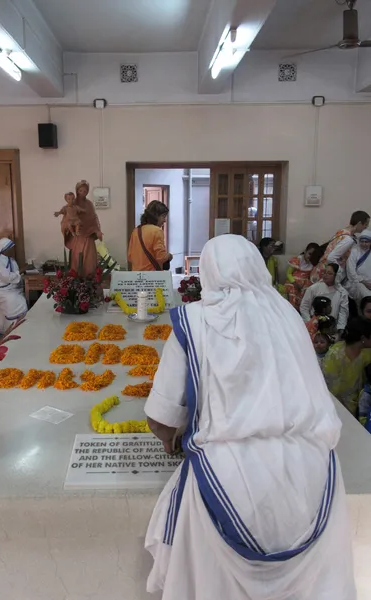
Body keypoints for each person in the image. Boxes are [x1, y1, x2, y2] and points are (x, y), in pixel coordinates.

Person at [144, 235, 354, 600]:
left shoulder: (193, 322)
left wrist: (171, 437)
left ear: (207, 272)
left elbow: (160, 420)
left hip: (227, 479)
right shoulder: (288, 317)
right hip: (310, 475)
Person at [323, 317, 371, 415]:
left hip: (359, 405)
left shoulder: (366, 352)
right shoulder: (335, 355)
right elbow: (330, 388)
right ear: (362, 338)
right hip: (334, 407)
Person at [312, 210, 370, 283]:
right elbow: (331, 258)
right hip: (326, 273)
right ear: (359, 223)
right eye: (366, 224)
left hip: (321, 269)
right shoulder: (348, 239)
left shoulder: (343, 231)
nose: (366, 227)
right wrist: (341, 271)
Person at [0, 238, 27, 333]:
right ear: (3, 249)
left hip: (9, 289)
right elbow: (6, 277)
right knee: (15, 301)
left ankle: (1, 329)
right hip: (0, 291)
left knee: (17, 296)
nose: (12, 250)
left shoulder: (10, 260)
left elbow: (14, 276)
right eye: (10, 248)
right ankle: (13, 330)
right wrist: (22, 270)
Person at [63, 181, 103, 277]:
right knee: (77, 266)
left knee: (90, 265)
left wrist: (97, 231)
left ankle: (90, 287)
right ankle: (78, 289)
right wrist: (69, 226)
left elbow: (93, 220)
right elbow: (65, 220)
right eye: (80, 190)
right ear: (77, 191)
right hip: (77, 239)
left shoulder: (89, 204)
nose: (83, 193)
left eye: (85, 191)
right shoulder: (71, 203)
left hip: (89, 239)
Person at [300, 264, 349, 333]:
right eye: (324, 272)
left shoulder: (342, 293)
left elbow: (343, 312)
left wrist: (340, 328)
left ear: (337, 276)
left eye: (329, 273)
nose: (325, 275)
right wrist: (310, 323)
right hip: (313, 326)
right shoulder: (313, 288)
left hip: (332, 328)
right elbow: (304, 307)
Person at [128, 200, 173, 271]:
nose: (165, 220)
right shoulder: (156, 231)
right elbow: (161, 257)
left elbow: (130, 256)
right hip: (152, 276)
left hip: (136, 275)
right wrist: (169, 256)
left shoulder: (136, 231)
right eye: (163, 216)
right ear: (155, 216)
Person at [284, 242, 320, 310]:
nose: (310, 257)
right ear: (305, 251)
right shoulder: (297, 260)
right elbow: (288, 273)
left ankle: (300, 312)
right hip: (293, 283)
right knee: (292, 290)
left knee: (307, 292)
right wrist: (295, 283)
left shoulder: (313, 264)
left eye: (313, 256)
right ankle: (292, 310)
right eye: (310, 254)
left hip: (304, 284)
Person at [346, 229, 371, 304]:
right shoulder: (354, 252)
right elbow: (351, 272)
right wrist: (364, 282)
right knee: (368, 297)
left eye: (366, 242)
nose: (364, 244)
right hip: (357, 283)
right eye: (362, 241)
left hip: (369, 283)